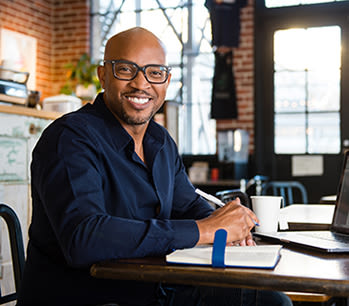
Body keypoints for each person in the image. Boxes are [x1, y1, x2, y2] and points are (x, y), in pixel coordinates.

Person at [17, 27, 292, 306]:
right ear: (103, 75)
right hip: (89, 297)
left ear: (166, 80)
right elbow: (84, 236)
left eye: (155, 72)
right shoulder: (69, 139)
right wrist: (207, 230)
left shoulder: (160, 141)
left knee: (271, 301)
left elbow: (188, 206)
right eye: (126, 69)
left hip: (153, 289)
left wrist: (229, 225)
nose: (141, 83)